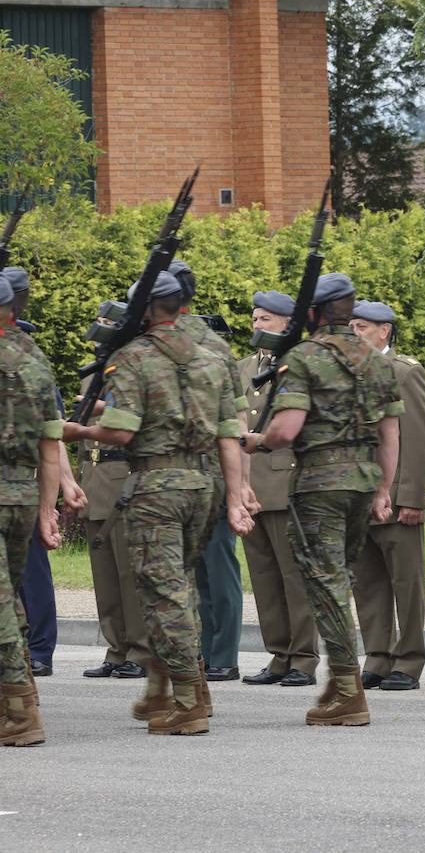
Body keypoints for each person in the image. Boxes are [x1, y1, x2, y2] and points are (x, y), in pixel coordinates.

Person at [63, 271, 253, 736]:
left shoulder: (135, 357)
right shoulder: (214, 355)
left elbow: (122, 432)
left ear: (145, 311)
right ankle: (176, 688)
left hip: (157, 486)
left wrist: (81, 431)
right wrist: (234, 495)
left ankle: (187, 700)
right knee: (178, 586)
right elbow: (232, 431)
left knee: (164, 593)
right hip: (202, 484)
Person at [243, 272, 402, 727]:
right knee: (340, 576)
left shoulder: (305, 357)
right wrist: (384, 489)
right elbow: (390, 436)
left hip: (319, 483)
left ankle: (348, 690)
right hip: (363, 479)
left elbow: (287, 429)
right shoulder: (376, 361)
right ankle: (340, 684)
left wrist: (256, 441)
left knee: (326, 582)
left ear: (313, 313)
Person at [5, 265, 86, 677]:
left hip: (21, 483)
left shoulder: (32, 364)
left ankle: (39, 647)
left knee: (31, 570)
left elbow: (50, 440)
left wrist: (62, 488)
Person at [167, 259, 246, 682]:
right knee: (194, 571)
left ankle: (223, 654)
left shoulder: (212, 346)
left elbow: (235, 422)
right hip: (189, 475)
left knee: (217, 565)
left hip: (208, 474)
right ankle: (203, 651)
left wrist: (242, 487)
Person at [238, 291, 319, 687]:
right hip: (252, 486)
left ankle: (304, 657)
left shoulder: (301, 365)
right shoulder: (244, 368)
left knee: (295, 576)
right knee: (264, 577)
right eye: (255, 319)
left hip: (287, 484)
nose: (257, 326)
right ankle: (279, 654)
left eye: (266, 320)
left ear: (288, 324)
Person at [350, 299, 425, 691]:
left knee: (406, 582)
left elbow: (416, 438)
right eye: (352, 326)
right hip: (357, 495)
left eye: (362, 327)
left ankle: (409, 659)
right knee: (367, 583)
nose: (355, 333)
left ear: (384, 331)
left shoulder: (404, 371)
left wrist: (412, 497)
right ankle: (378, 656)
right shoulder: (350, 371)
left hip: (396, 498)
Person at [0, 273, 63, 746]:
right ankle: (21, 701)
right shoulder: (35, 360)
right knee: (12, 602)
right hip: (22, 494)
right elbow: (49, 444)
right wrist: (46, 507)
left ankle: (21, 715)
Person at [78, 302, 150, 680]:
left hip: (122, 477)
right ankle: (116, 648)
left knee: (129, 573)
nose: (99, 329)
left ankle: (140, 649)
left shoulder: (134, 369)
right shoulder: (93, 373)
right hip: (94, 479)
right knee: (104, 575)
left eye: (107, 323)